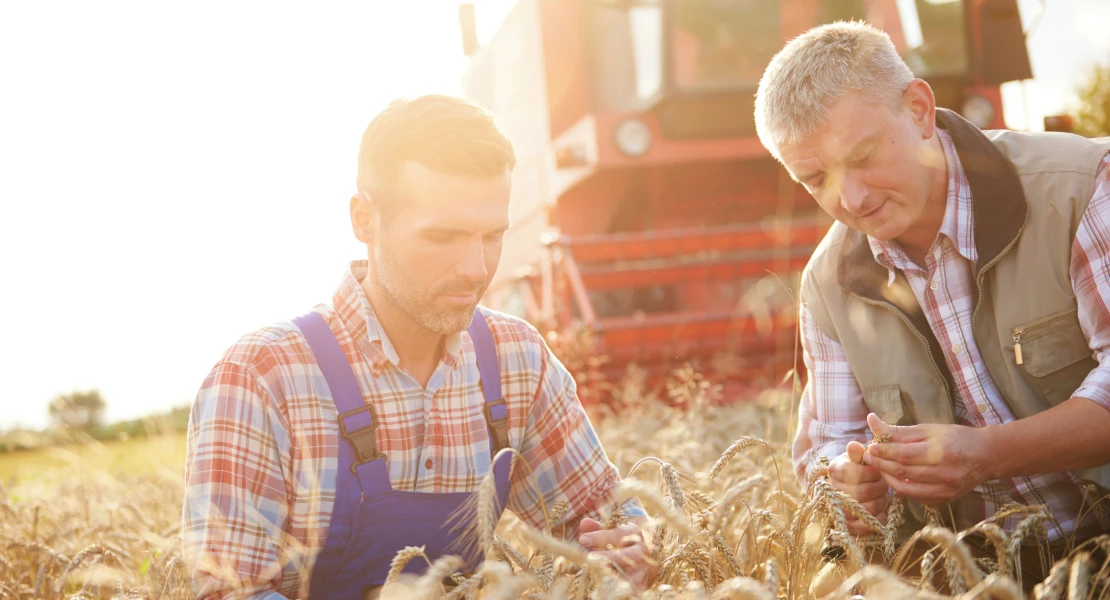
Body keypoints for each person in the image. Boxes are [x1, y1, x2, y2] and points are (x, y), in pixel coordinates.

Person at [182, 95, 651, 599]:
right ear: (364, 219)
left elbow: (608, 514)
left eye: (492, 235)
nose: (475, 268)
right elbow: (230, 592)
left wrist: (631, 547)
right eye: (442, 236)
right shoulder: (261, 377)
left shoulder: (518, 360)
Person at [754, 21, 1110, 586]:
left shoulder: (1081, 187)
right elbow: (826, 447)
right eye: (815, 179)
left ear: (919, 109)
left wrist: (989, 453)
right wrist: (847, 485)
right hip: (971, 579)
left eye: (863, 155)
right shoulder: (825, 283)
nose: (851, 199)